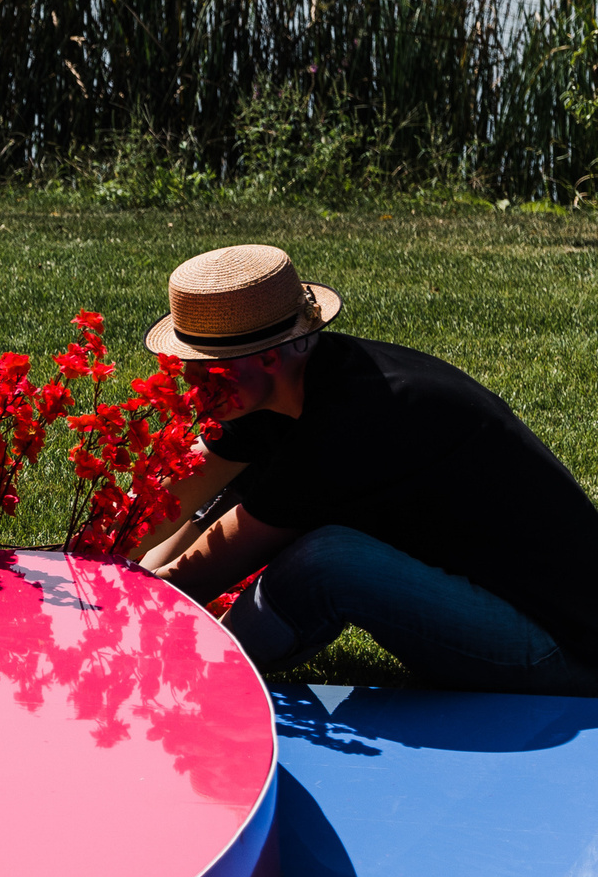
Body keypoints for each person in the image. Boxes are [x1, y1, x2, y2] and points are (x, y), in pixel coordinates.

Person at [141, 243, 598, 694]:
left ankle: (194, 676)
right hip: (510, 606)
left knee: (327, 562)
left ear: (267, 357)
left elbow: (203, 573)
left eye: (206, 370)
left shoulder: (357, 416)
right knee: (248, 489)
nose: (192, 385)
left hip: (558, 652)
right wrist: (110, 558)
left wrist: (130, 614)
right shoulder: (294, 382)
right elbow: (172, 499)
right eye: (190, 365)